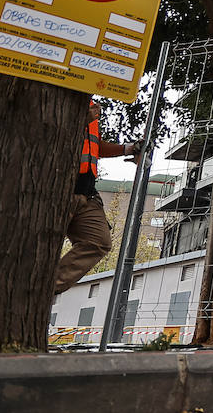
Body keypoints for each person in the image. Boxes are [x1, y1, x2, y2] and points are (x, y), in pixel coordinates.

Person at [55, 99, 143, 294]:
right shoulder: (58, 95)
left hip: (85, 192)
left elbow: (95, 147)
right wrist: (82, 119)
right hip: (56, 189)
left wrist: (129, 148)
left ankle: (45, 288)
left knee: (98, 241)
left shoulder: (91, 106)